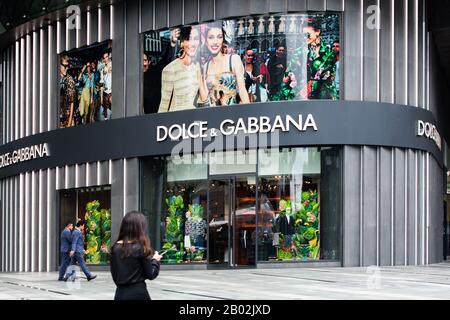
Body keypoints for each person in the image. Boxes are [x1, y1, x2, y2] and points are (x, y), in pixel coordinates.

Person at [110, 211, 162, 300]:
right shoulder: (140, 248)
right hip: (138, 293)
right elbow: (151, 274)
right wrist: (155, 260)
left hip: (120, 293)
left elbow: (115, 275)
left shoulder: (115, 248)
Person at [158, 26, 207, 113]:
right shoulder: (170, 69)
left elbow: (203, 99)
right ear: (182, 43)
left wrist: (200, 76)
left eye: (196, 39)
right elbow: (163, 106)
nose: (192, 44)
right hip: (176, 122)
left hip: (195, 120)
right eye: (188, 39)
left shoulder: (198, 66)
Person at [203, 22, 249, 106]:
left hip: (231, 115)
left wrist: (248, 116)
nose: (215, 42)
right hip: (211, 115)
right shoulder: (205, 66)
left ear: (222, 40)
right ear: (206, 42)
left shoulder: (234, 59)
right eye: (211, 37)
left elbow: (242, 91)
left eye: (219, 37)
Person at [143, 29, 179, 114]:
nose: (142, 63)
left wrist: (172, 43)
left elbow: (166, 59)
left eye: (144, 60)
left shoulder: (155, 72)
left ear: (149, 61)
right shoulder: (136, 77)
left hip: (158, 112)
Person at [59, 55, 76, 128]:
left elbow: (72, 102)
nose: (66, 69)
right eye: (64, 66)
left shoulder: (70, 79)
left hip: (67, 119)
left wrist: (69, 123)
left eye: (67, 66)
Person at [99, 51, 112, 120]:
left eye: (107, 57)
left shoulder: (113, 65)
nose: (106, 59)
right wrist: (101, 97)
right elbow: (102, 83)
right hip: (105, 93)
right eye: (104, 58)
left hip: (112, 92)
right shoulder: (102, 69)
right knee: (106, 115)